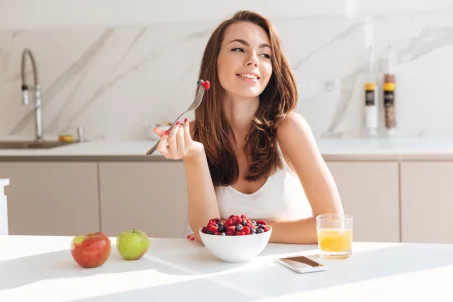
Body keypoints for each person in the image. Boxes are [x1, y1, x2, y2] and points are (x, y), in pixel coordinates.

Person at [153, 10, 344, 244]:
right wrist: (195, 155)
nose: (253, 60)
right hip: (218, 269)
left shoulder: (289, 128)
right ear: (214, 61)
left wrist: (246, 230)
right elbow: (206, 234)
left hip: (287, 269)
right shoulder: (194, 135)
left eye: (265, 54)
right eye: (238, 49)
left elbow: (333, 226)